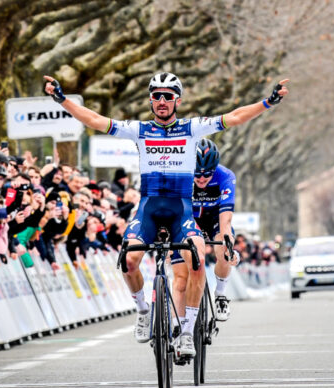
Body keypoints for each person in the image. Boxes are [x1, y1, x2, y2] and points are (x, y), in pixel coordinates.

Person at [44, 71, 289, 358]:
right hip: (148, 207)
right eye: (156, 96)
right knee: (129, 260)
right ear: (150, 100)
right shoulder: (139, 130)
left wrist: (268, 102)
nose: (161, 101)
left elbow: (234, 117)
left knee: (196, 261)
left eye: (167, 96)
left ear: (177, 101)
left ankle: (187, 334)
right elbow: (95, 120)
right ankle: (143, 311)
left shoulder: (192, 128)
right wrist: (62, 100)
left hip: (180, 209)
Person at [171, 139, 238, 328]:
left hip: (214, 219)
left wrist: (228, 241)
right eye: (197, 175)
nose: (201, 179)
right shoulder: (180, 175)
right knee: (181, 279)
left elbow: (226, 216)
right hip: (188, 221)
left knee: (224, 250)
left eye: (207, 175)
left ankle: (221, 294)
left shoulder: (225, 176)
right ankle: (179, 325)